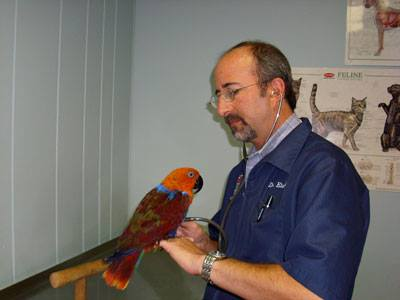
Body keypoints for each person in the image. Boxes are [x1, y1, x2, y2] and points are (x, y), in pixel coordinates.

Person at [160, 40, 370, 300]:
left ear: (275, 91)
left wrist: (203, 264)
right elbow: (241, 257)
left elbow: (314, 292)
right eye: (219, 96)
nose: (222, 109)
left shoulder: (326, 170)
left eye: (232, 92)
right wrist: (206, 246)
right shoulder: (242, 172)